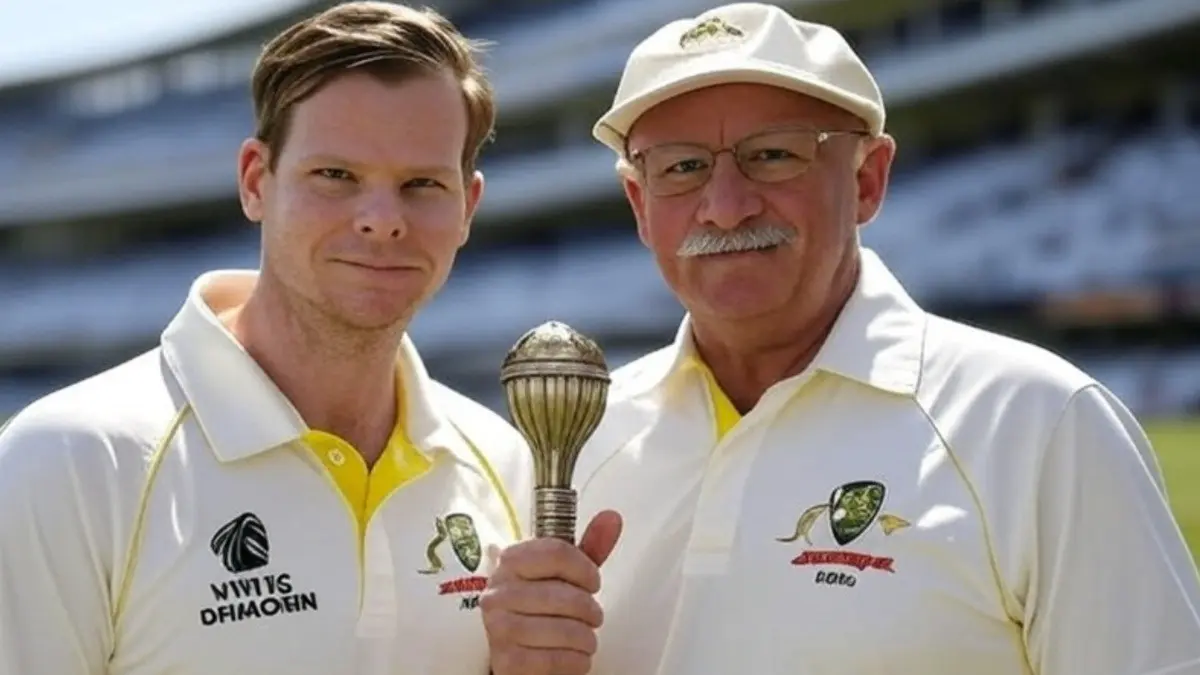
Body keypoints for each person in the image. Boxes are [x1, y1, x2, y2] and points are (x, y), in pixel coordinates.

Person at [479, 3, 1200, 674]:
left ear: (868, 180)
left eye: (773, 155)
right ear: (640, 204)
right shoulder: (583, 444)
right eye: (682, 167)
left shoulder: (1039, 421)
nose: (725, 207)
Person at [0, 3, 532, 674]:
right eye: (335, 176)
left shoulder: (501, 461)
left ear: (468, 208)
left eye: (422, 184)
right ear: (256, 181)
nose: (382, 220)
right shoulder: (69, 460)